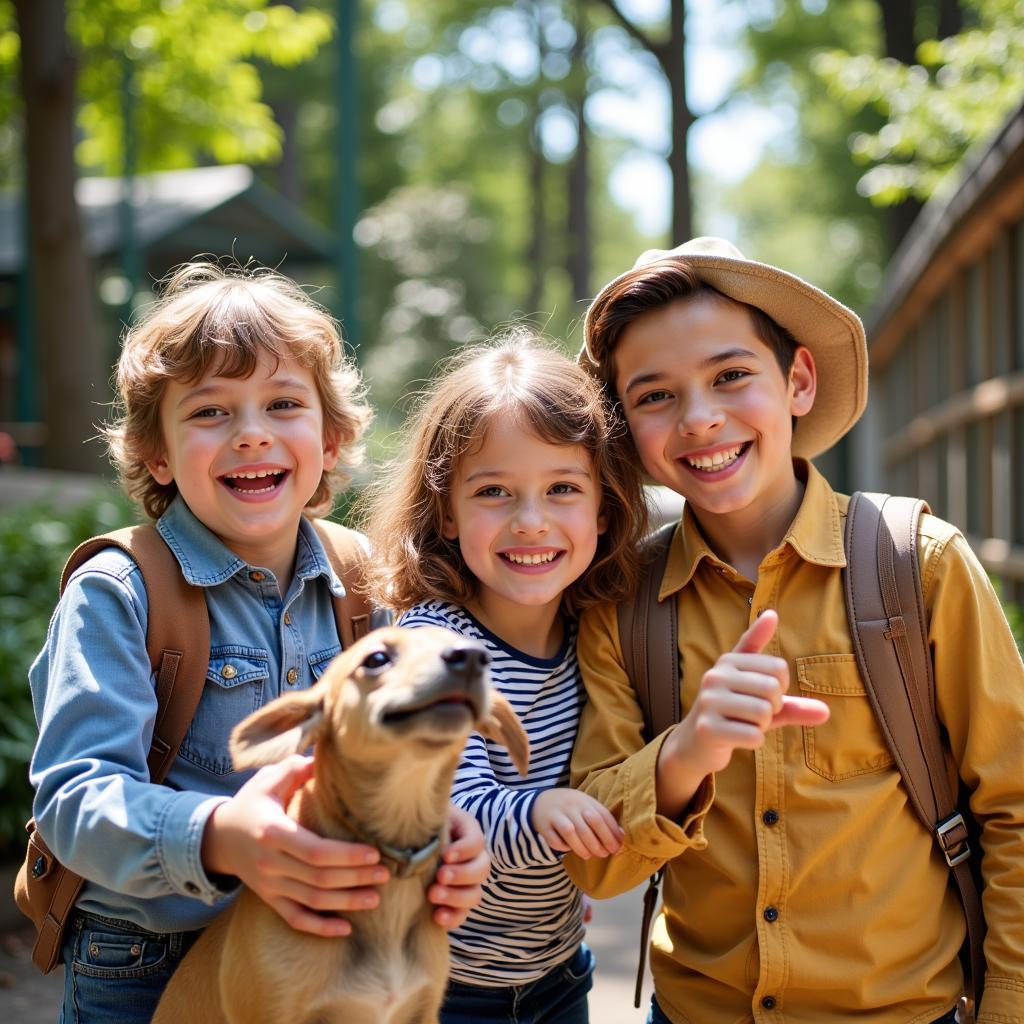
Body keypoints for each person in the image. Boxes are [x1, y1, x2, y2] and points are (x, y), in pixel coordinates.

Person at [565, 237, 1024, 1024]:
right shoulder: (619, 600)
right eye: (654, 396)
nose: (700, 418)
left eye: (731, 375)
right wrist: (688, 751)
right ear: (626, 427)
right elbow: (594, 867)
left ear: (798, 382)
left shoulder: (920, 565)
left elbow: (1014, 806)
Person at [27, 261, 489, 1024]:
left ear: (332, 438)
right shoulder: (120, 591)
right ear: (158, 453)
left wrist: (447, 835)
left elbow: (402, 739)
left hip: (331, 943)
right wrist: (220, 835)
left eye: (283, 404)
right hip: (144, 962)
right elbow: (74, 800)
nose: (251, 434)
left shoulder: (360, 578)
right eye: (210, 412)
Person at [358, 333, 649, 1024]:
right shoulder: (430, 648)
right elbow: (446, 815)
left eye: (563, 489)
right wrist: (542, 813)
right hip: (434, 987)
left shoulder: (597, 633)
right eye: (494, 491)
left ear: (603, 509)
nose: (531, 521)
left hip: (557, 972)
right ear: (448, 512)